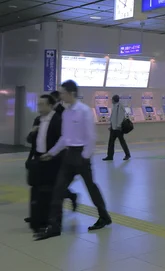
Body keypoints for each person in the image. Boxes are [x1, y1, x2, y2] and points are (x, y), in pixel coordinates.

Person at [36, 80, 111, 240]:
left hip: (81, 156)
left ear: (71, 93)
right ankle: (54, 227)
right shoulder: (66, 112)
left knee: (91, 188)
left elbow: (91, 137)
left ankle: (104, 217)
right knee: (58, 190)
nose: (60, 95)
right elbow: (65, 137)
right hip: (69, 156)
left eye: (63, 92)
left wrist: (84, 157)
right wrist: (52, 153)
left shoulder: (84, 111)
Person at [25, 95, 76, 232]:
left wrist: (52, 154)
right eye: (38, 104)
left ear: (50, 105)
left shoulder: (58, 120)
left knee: (53, 193)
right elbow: (30, 140)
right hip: (39, 160)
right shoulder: (38, 120)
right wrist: (32, 132)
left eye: (42, 104)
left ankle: (53, 222)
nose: (39, 107)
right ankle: (38, 220)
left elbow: (64, 142)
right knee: (38, 191)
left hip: (53, 161)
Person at [102, 95, 131, 161]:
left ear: (114, 100)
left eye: (112, 99)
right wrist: (110, 125)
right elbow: (112, 117)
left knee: (122, 142)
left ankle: (127, 154)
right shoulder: (114, 106)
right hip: (113, 128)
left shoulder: (120, 106)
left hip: (118, 128)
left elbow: (120, 117)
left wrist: (118, 125)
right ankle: (110, 156)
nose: (111, 100)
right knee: (111, 142)